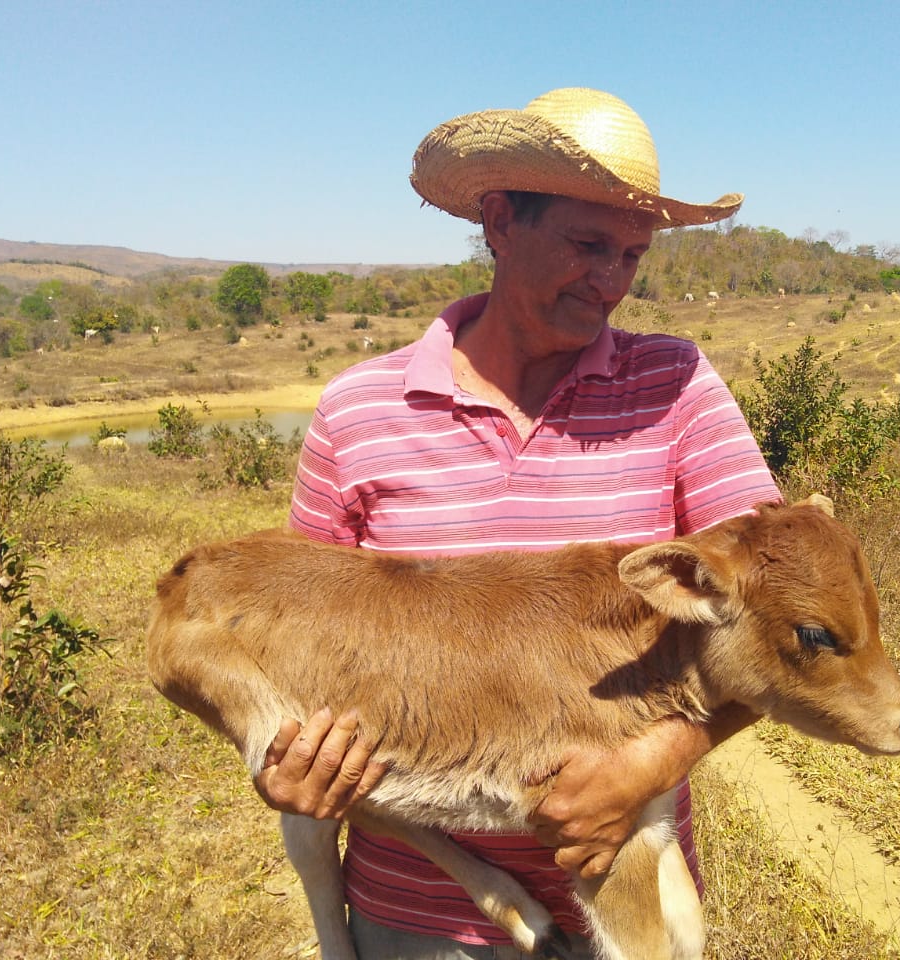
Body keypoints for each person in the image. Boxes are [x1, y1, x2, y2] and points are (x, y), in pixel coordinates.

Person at [254, 87, 781, 959]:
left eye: (632, 255)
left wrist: (647, 767)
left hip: (630, 898)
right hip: (417, 912)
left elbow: (777, 618)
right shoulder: (359, 411)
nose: (611, 280)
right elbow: (298, 635)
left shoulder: (678, 387)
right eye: (586, 245)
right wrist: (289, 762)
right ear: (499, 220)